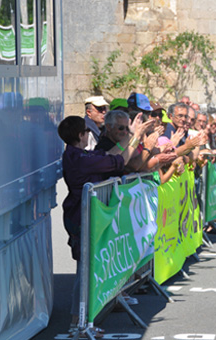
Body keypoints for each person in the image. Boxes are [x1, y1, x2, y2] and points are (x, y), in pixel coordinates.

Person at [58, 115, 149, 337]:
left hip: (85, 215)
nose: (89, 135)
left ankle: (82, 322)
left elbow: (110, 156)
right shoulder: (79, 158)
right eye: (87, 132)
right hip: (81, 216)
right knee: (85, 269)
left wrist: (129, 137)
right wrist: (135, 137)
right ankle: (78, 323)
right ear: (82, 135)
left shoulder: (79, 155)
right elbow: (121, 161)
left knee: (91, 266)